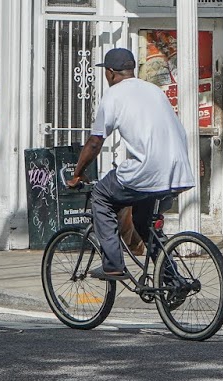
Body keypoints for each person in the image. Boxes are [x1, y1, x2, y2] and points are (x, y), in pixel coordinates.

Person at [65, 47, 196, 282]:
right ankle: (172, 279)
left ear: (111, 73)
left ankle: (113, 265)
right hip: (177, 170)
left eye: (106, 73)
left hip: (148, 170)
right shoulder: (155, 91)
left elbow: (95, 142)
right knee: (144, 224)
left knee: (101, 196)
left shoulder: (114, 95)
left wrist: (77, 173)